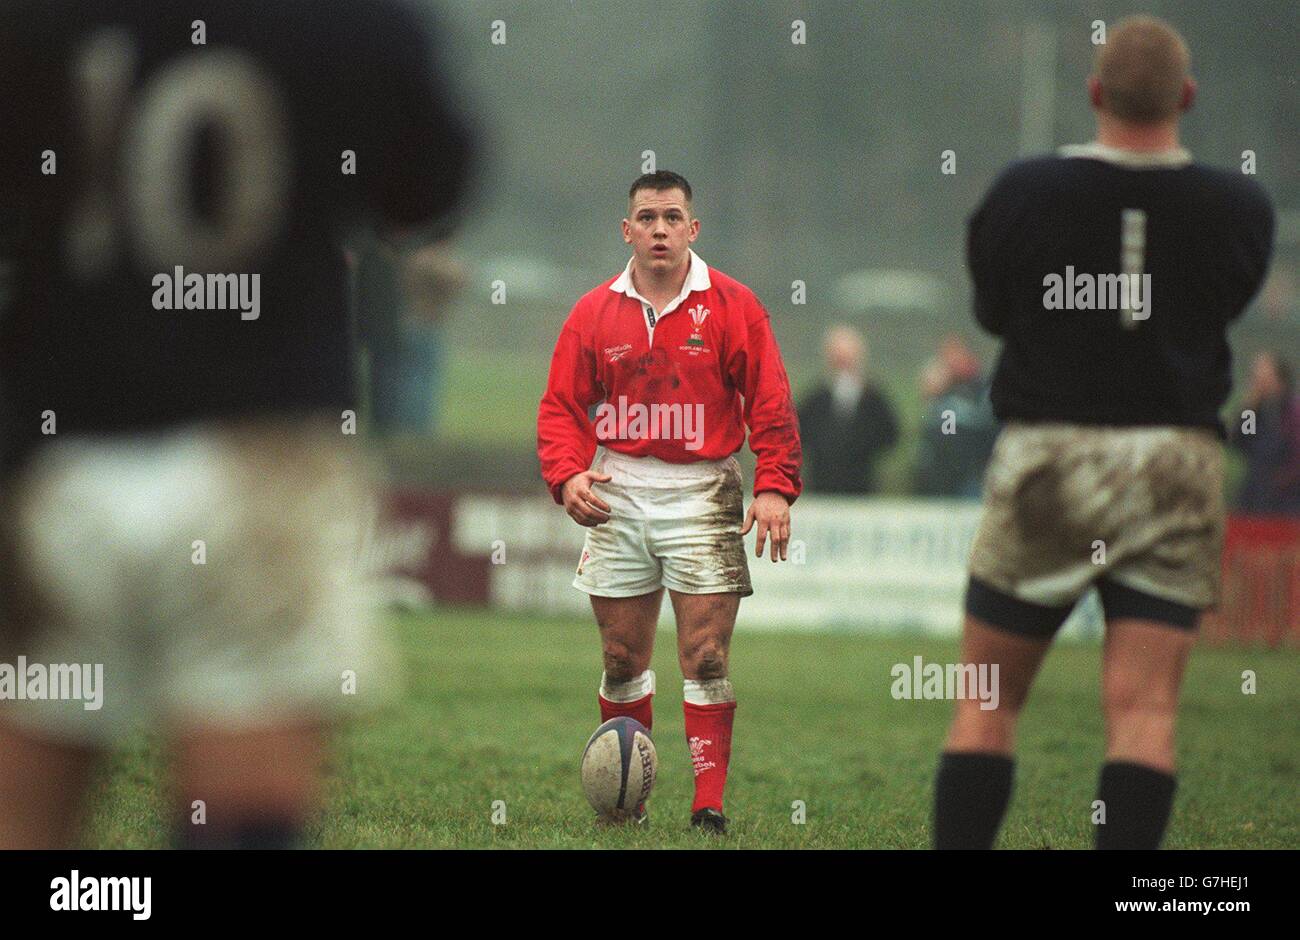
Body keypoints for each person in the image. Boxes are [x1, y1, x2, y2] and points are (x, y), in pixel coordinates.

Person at [0, 0, 472, 848]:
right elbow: (429, 188)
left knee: (25, 817)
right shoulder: (346, 22)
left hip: (55, 456)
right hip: (260, 451)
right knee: (241, 816)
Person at [933, 15, 1274, 850]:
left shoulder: (1024, 190)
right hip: (1174, 457)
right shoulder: (1240, 206)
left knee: (986, 703)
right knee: (1146, 713)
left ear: (1092, 93)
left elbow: (992, 311)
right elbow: (1218, 310)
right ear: (1186, 98)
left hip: (1051, 451)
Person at [538, 170, 802, 833]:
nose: (660, 229)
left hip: (704, 489)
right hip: (617, 489)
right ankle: (627, 802)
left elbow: (770, 401)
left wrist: (774, 485)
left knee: (706, 658)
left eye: (672, 217)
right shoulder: (594, 311)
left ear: (693, 229)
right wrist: (568, 475)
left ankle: (707, 806)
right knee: (621, 659)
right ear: (627, 230)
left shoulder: (735, 305)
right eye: (647, 217)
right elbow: (562, 407)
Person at [796, 325, 898, 494]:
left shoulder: (873, 398)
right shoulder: (815, 398)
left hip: (862, 486)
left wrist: (863, 449)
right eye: (838, 358)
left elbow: (891, 434)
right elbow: (798, 433)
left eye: (847, 358)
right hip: (822, 487)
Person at [915, 334, 998, 498]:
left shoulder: (971, 394)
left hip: (966, 477)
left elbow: (949, 435)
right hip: (943, 478)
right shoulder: (947, 398)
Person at [1228, 351, 1300, 515]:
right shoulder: (1256, 411)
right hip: (1256, 496)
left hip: (1287, 499)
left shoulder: (1293, 411)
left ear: (1279, 379)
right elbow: (1242, 443)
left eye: (1262, 373)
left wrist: (1282, 480)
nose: (1256, 380)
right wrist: (1248, 410)